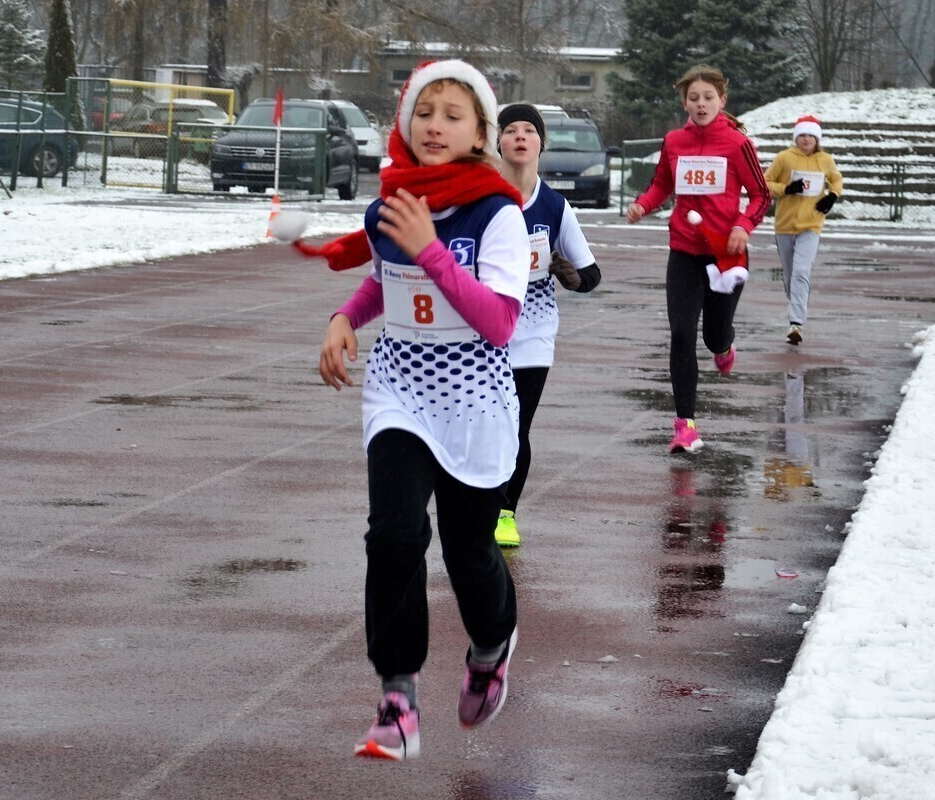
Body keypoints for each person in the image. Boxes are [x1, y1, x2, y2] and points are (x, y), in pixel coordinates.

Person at [310, 60, 529, 762]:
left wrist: (432, 250)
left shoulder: (499, 214)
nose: (435, 123)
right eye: (424, 110)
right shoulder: (391, 204)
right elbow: (385, 280)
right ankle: (396, 696)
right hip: (400, 390)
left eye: (453, 113)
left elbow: (497, 323)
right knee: (395, 535)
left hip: (474, 402)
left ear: (478, 134)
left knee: (470, 554)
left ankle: (493, 645)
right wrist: (345, 317)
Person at [625, 64, 770, 454]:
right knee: (681, 334)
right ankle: (684, 425)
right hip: (685, 251)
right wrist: (642, 205)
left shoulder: (738, 145)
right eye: (694, 98)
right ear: (684, 102)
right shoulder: (674, 141)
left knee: (713, 336)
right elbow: (661, 185)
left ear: (722, 100)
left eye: (708, 97)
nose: (701, 104)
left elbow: (761, 195)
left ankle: (725, 348)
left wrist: (743, 226)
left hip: (727, 252)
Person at [492, 102, 601, 547]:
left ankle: (504, 514)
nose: (520, 136)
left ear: (541, 143)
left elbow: (591, 274)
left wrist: (570, 276)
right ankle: (477, 499)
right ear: (498, 142)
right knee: (486, 424)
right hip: (480, 333)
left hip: (533, 331)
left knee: (516, 426)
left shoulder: (555, 207)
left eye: (529, 131)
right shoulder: (478, 199)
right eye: (511, 129)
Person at [764, 114, 844, 345]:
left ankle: (796, 323)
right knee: (791, 276)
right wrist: (786, 188)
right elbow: (765, 183)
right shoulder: (784, 158)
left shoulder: (826, 160)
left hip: (812, 224)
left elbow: (837, 180)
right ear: (796, 137)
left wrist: (832, 197)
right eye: (802, 135)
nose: (806, 139)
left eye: (810, 135)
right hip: (785, 225)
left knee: (801, 272)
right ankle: (795, 299)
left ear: (817, 138)